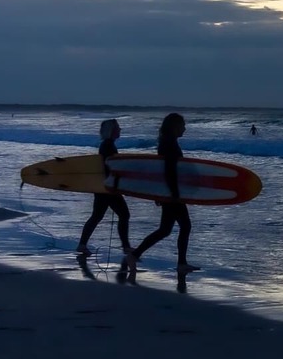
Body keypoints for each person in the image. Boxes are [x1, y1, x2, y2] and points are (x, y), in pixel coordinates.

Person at [123, 113, 198, 274]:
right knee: (185, 226)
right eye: (182, 125)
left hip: (167, 192)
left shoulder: (167, 143)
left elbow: (161, 171)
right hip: (171, 193)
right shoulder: (170, 144)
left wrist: (159, 193)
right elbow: (169, 171)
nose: (185, 128)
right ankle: (181, 263)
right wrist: (174, 194)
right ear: (175, 126)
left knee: (165, 229)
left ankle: (134, 255)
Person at [76, 119, 130, 256]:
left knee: (97, 216)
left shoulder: (107, 144)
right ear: (112, 130)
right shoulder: (108, 146)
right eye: (118, 127)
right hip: (107, 188)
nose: (120, 129)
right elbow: (109, 168)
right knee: (124, 214)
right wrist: (116, 186)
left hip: (103, 186)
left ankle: (82, 245)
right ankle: (126, 247)